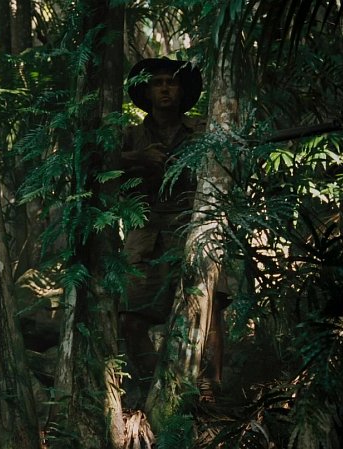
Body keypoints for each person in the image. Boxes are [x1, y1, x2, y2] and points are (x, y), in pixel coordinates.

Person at [119, 58, 229, 403]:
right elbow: (97, 165)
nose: (165, 88)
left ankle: (209, 388)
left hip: (192, 225)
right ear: (147, 92)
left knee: (210, 308)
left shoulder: (202, 131)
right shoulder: (131, 136)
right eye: (158, 83)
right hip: (146, 234)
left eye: (172, 82)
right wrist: (138, 159)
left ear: (182, 91)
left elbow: (227, 165)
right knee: (130, 316)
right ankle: (158, 388)